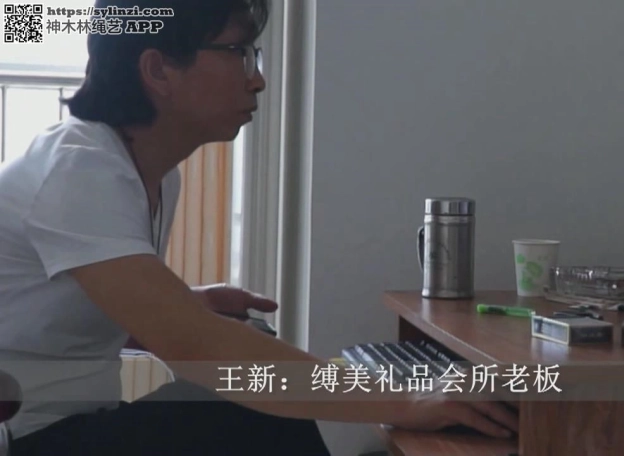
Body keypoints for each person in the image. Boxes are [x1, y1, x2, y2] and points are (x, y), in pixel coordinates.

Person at [0, 0, 519, 454]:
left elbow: (62, 321)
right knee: (246, 407)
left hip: (63, 426)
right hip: (25, 436)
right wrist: (406, 400)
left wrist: (185, 305)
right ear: (159, 70)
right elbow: (196, 347)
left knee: (250, 372)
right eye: (239, 53)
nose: (257, 78)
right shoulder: (80, 170)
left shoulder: (148, 173)